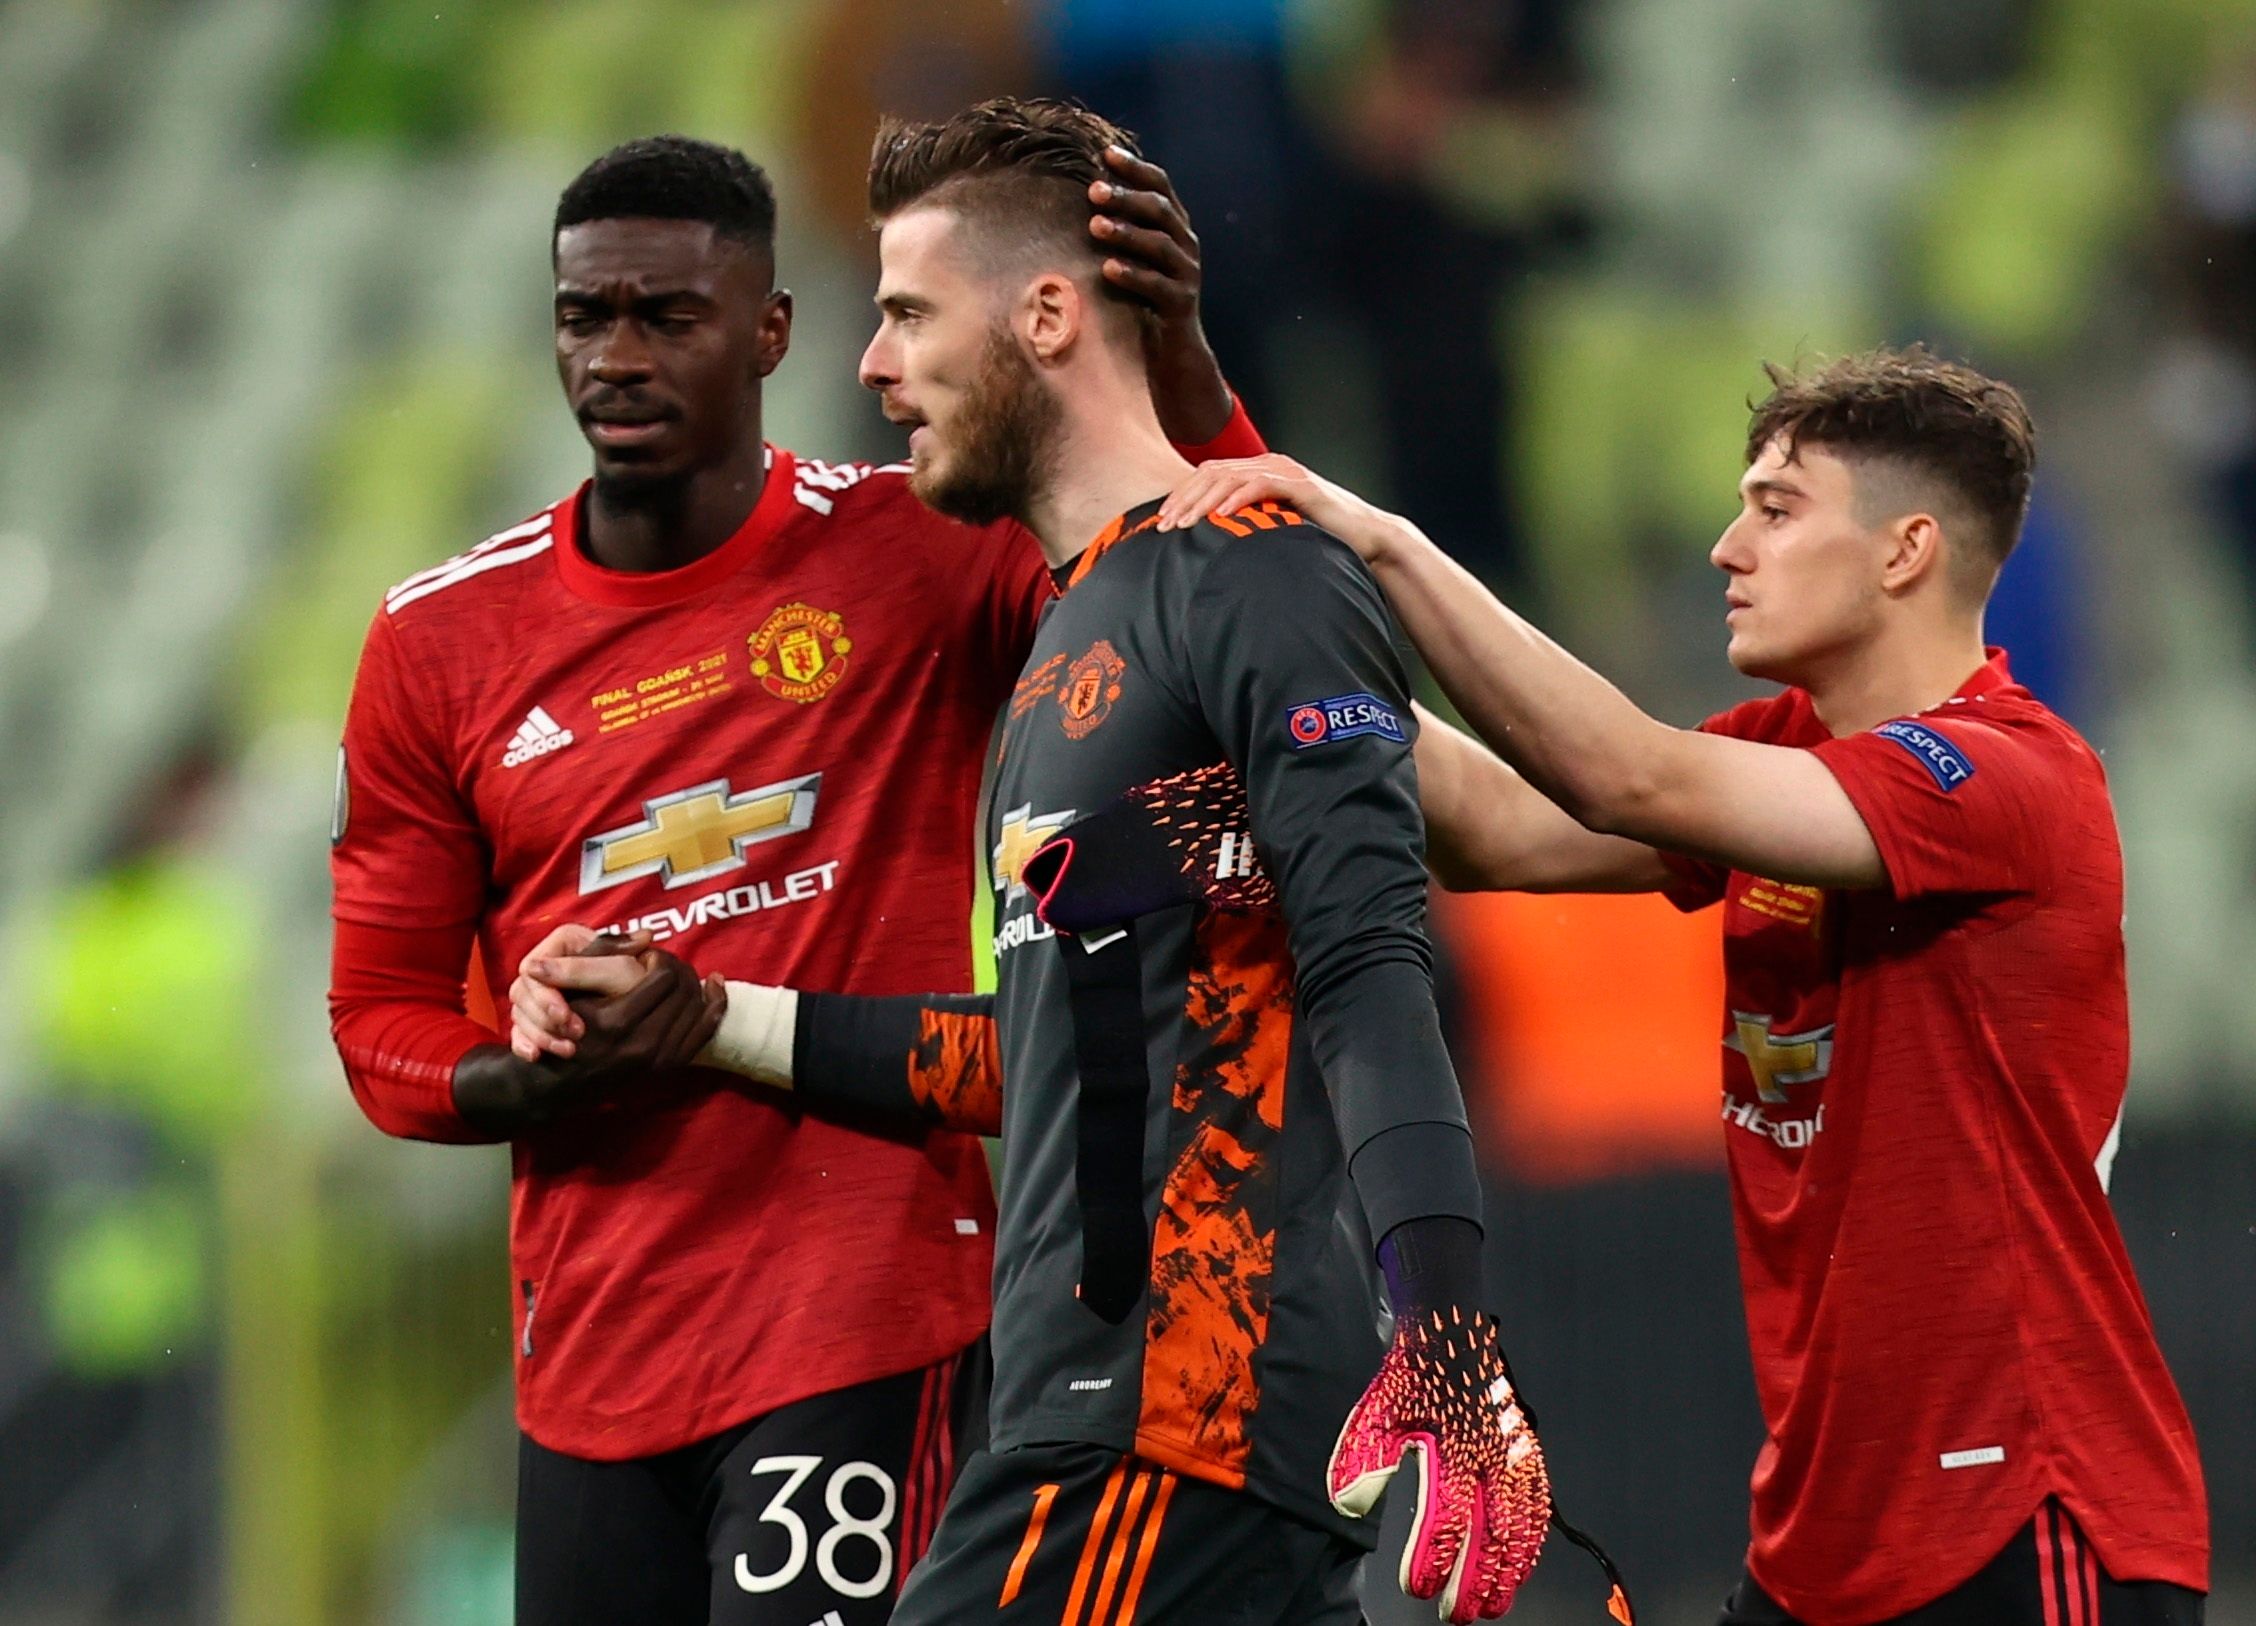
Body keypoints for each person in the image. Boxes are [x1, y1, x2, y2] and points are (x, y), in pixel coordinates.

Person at [513, 98, 1605, 1626]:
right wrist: (714, 1018)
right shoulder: (1064, 648)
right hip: (1134, 1425)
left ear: (1043, 314)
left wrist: (1443, 1334)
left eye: (905, 313)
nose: (871, 366)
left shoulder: (1245, 573)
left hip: (1165, 1415)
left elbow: (1369, 954)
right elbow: (1052, 1054)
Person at [326, 132, 1266, 1626]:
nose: (617, 356)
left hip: (867, 1315)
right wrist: (534, 1071)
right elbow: (377, 1018)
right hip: (588, 1371)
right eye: (586, 316)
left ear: (771, 330)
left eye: (668, 317)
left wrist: (1192, 375)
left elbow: (1231, 592)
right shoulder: (438, 643)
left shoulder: (923, 547)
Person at [1150, 348, 2211, 1625]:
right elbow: (1498, 827)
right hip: (1826, 1530)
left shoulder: (2008, 778)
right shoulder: (1785, 753)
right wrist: (1255, 541)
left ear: (1906, 550)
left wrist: (1384, 547)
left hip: (2024, 1513)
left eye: (1776, 508)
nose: (1726, 546)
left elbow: (1622, 778)